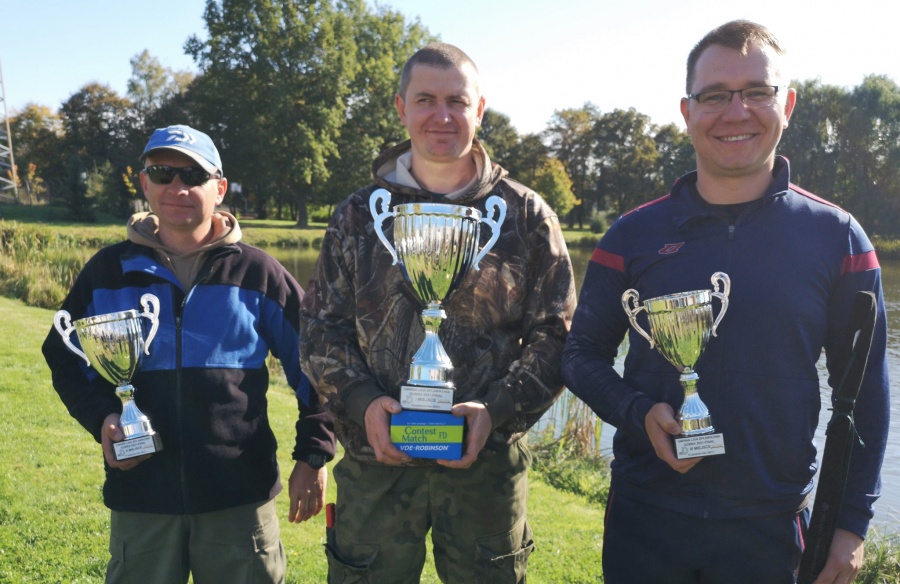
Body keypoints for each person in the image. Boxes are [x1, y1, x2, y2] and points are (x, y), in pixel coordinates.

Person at [562, 20, 889, 584]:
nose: (736, 112)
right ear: (687, 111)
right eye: (715, 95)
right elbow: (581, 355)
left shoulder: (839, 239)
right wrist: (638, 414)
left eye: (757, 92)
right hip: (646, 518)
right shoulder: (630, 236)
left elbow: (865, 394)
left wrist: (851, 523)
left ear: (786, 104)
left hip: (769, 524)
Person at [298, 43, 577, 583]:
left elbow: (557, 334)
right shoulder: (359, 215)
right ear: (401, 108)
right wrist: (364, 403)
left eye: (457, 100)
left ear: (480, 109)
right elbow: (319, 330)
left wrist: (495, 410)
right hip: (376, 463)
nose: (442, 115)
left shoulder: (524, 215)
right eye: (426, 99)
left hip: (486, 469)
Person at [42, 124, 335, 583]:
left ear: (218, 189)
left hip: (240, 499)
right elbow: (63, 353)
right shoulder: (107, 271)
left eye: (192, 175)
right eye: (162, 173)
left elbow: (318, 364)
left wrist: (313, 454)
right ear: (144, 184)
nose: (176, 187)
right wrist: (102, 418)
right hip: (141, 497)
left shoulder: (259, 273)